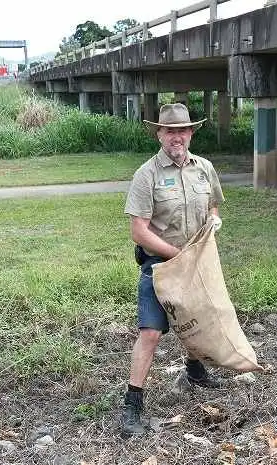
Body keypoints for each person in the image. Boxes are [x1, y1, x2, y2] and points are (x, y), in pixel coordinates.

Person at [123, 103, 225, 436]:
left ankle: (195, 371)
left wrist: (213, 219)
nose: (177, 137)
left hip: (196, 263)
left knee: (196, 320)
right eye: (170, 131)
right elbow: (139, 231)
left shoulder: (205, 168)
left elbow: (212, 204)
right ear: (159, 134)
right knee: (151, 333)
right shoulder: (147, 175)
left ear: (191, 132)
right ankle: (132, 406)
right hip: (161, 266)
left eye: (182, 130)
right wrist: (176, 253)